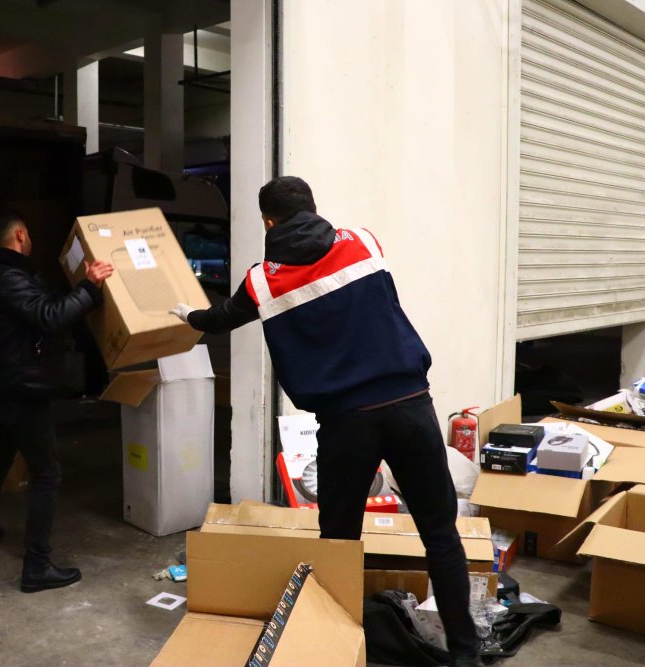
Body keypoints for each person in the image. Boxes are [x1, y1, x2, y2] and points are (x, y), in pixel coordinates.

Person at [170, 176, 482, 667]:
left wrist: (188, 315)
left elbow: (221, 319)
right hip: (411, 407)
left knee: (339, 543)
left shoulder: (261, 281)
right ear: (313, 208)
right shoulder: (362, 241)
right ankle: (466, 656)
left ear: (268, 221)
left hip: (346, 424)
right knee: (440, 536)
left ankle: (338, 649)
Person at [0, 211, 114, 594]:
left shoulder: (6, 275)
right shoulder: (9, 277)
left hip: (8, 383)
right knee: (47, 474)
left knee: (0, 455)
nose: (31, 240)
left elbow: (40, 312)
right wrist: (89, 286)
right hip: (21, 388)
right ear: (19, 234)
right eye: (29, 234)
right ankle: (36, 566)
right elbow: (48, 316)